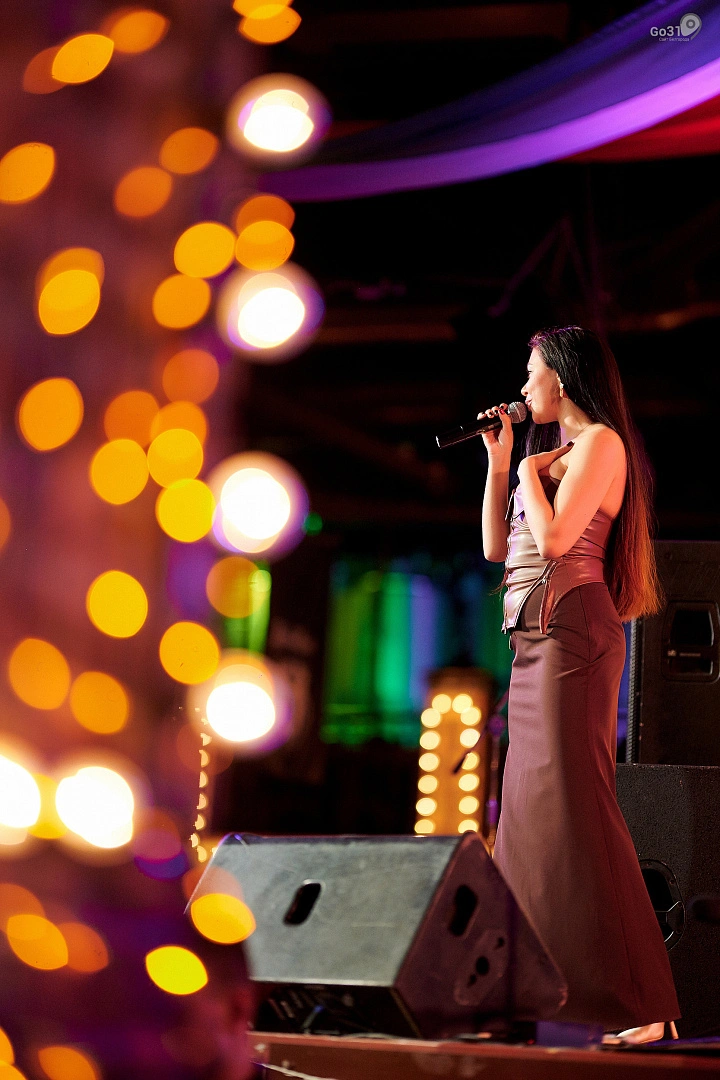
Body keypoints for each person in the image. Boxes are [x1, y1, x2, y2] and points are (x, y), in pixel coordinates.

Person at [480, 325, 679, 1042]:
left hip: (575, 635)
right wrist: (502, 465)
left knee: (579, 804)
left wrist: (529, 478)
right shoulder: (545, 455)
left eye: (530, 372)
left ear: (561, 378)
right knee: (527, 813)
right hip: (534, 640)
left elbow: (559, 541)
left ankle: (650, 1004)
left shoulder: (600, 444)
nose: (523, 386)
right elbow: (496, 548)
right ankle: (525, 988)